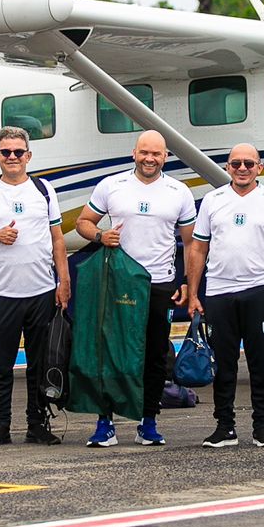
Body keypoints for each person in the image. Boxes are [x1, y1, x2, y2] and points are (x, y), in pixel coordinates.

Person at [74, 129, 196, 447]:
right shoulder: (111, 185)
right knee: (112, 353)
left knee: (154, 355)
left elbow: (191, 243)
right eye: (144, 152)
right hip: (118, 283)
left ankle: (148, 422)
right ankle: (105, 423)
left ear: (165, 156)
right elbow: (83, 222)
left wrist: (187, 283)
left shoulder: (178, 191)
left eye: (156, 153)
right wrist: (100, 236)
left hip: (160, 284)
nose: (149, 158)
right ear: (134, 153)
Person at [0, 127, 71, 446]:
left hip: (41, 293)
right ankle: (1, 425)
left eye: (18, 152)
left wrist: (64, 281)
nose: (12, 157)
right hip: (2, 295)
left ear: (28, 156)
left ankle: (37, 424)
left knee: (41, 363)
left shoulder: (43, 189)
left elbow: (57, 238)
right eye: (6, 152)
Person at [186, 144, 264, 448]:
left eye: (249, 163)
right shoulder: (212, 200)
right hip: (220, 292)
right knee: (223, 363)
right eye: (236, 163)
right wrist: (194, 292)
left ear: (260, 168)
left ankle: (262, 427)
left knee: (260, 361)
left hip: (261, 290)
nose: (242, 168)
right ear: (227, 168)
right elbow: (198, 248)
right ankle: (225, 427)